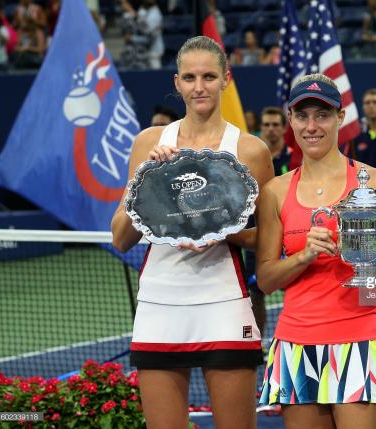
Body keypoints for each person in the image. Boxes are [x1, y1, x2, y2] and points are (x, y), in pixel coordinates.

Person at [111, 36, 274, 429]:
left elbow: (270, 239)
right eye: (189, 77)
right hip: (159, 304)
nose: (198, 86)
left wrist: (220, 231)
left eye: (208, 76)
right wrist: (149, 184)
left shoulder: (251, 150)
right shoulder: (149, 143)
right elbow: (120, 237)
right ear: (177, 82)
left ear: (226, 79)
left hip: (224, 302)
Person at [256, 73, 376, 428]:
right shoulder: (275, 191)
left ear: (341, 118)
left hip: (360, 339)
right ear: (291, 119)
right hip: (296, 344)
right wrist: (303, 256)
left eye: (323, 115)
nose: (312, 126)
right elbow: (267, 280)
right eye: (302, 116)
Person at [244, 107, 291, 335]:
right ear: (260, 129)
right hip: (259, 233)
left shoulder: (296, 158)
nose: (271, 130)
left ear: (283, 128)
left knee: (295, 285)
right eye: (266, 125)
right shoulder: (253, 161)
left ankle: (295, 334)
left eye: (275, 125)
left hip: (291, 232)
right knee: (255, 291)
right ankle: (258, 341)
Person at [345, 88, 376, 167]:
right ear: (363, 108)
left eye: (375, 102)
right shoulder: (356, 135)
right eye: (367, 103)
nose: (371, 106)